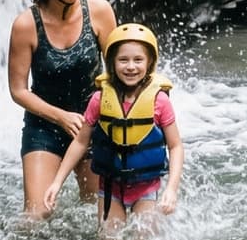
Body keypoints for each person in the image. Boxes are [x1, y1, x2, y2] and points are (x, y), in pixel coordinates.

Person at [8, 0, 118, 217]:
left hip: (93, 125)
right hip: (44, 127)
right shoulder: (25, 25)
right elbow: (18, 90)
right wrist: (61, 117)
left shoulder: (99, 11)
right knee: (35, 216)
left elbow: (118, 71)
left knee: (98, 213)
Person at [44, 23, 184, 227]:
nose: (130, 67)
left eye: (138, 60)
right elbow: (81, 143)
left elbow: (175, 146)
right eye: (123, 60)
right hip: (110, 187)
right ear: (111, 62)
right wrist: (56, 183)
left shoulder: (159, 101)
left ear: (150, 62)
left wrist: (172, 188)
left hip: (145, 188)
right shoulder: (99, 100)